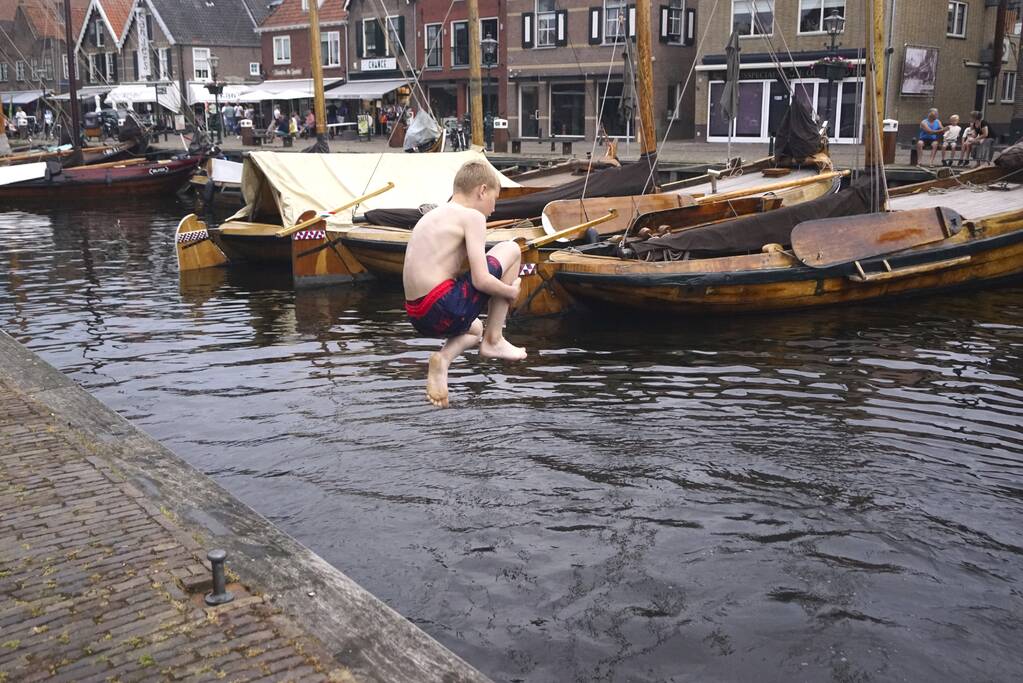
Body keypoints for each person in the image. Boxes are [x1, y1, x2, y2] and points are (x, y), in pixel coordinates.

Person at [403, 160, 526, 408]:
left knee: (474, 329)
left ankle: (443, 360)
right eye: (494, 198)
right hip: (443, 305)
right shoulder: (472, 217)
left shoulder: (433, 215)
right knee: (511, 248)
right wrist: (509, 291)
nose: (493, 208)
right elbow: (481, 279)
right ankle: (495, 339)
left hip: (417, 315)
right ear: (482, 190)